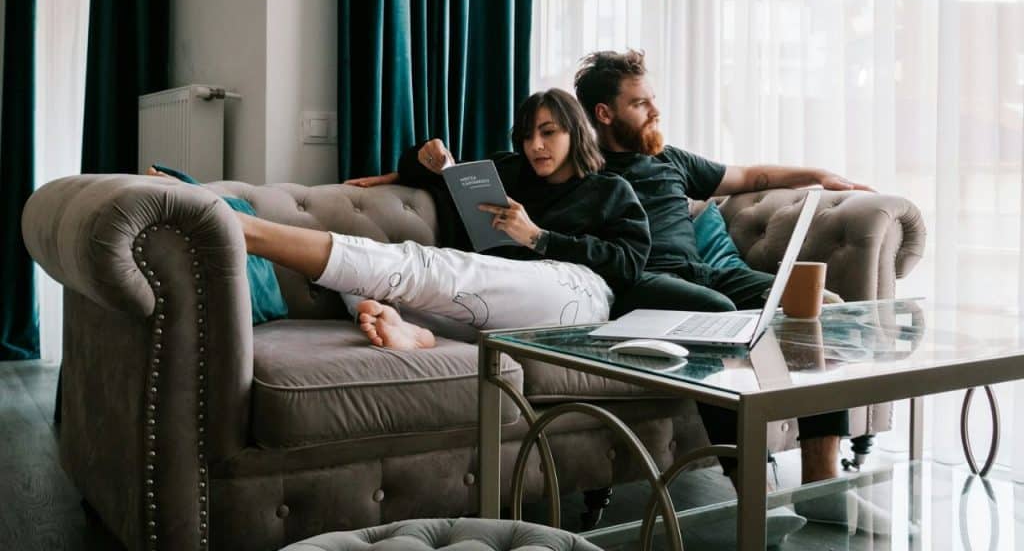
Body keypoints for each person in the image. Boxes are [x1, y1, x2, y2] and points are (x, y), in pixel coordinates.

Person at [574, 50, 888, 535]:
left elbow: (752, 177)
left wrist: (817, 175)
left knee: (817, 309)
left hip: (707, 274)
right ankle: (756, 502)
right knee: (719, 320)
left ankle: (824, 489)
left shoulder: (669, 159)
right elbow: (495, 177)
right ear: (604, 113)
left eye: (653, 99)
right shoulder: (579, 171)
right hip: (646, 285)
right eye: (641, 103)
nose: (655, 111)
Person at [165, 88, 650, 350]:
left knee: (427, 266)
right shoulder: (508, 173)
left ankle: (242, 228)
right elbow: (432, 174)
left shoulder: (610, 190)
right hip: (495, 304)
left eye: (548, 133)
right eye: (527, 135)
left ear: (576, 132)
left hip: (577, 293)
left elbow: (628, 264)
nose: (535, 146)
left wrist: (539, 238)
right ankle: (414, 331)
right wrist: (429, 157)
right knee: (376, 285)